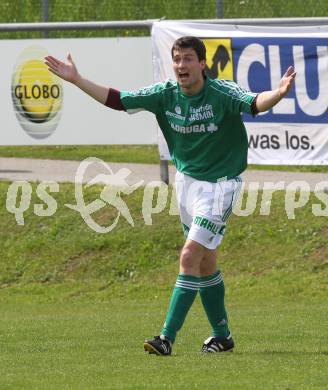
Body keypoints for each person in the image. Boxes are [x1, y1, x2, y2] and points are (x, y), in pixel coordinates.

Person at [45, 36, 296, 356]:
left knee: (189, 256)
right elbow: (119, 99)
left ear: (203, 64)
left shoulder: (221, 92)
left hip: (221, 186)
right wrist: (77, 79)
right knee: (205, 262)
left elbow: (255, 102)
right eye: (177, 59)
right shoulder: (165, 94)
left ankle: (166, 338)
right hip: (187, 184)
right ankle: (222, 336)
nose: (181, 65)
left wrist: (279, 93)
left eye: (188, 59)